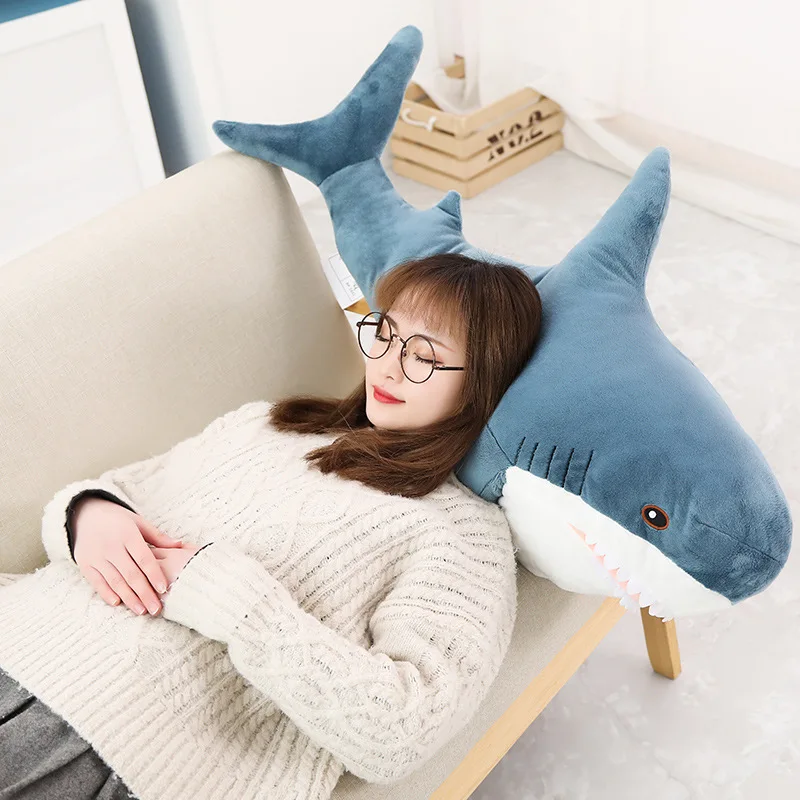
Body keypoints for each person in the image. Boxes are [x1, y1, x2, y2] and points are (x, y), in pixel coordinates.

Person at [0, 252, 542, 800]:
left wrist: (236, 604)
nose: (386, 366)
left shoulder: (464, 535)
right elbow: (119, 488)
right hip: (19, 636)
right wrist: (88, 515)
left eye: (423, 356)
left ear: (483, 385)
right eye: (385, 334)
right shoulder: (267, 423)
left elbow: (403, 732)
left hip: (113, 749)